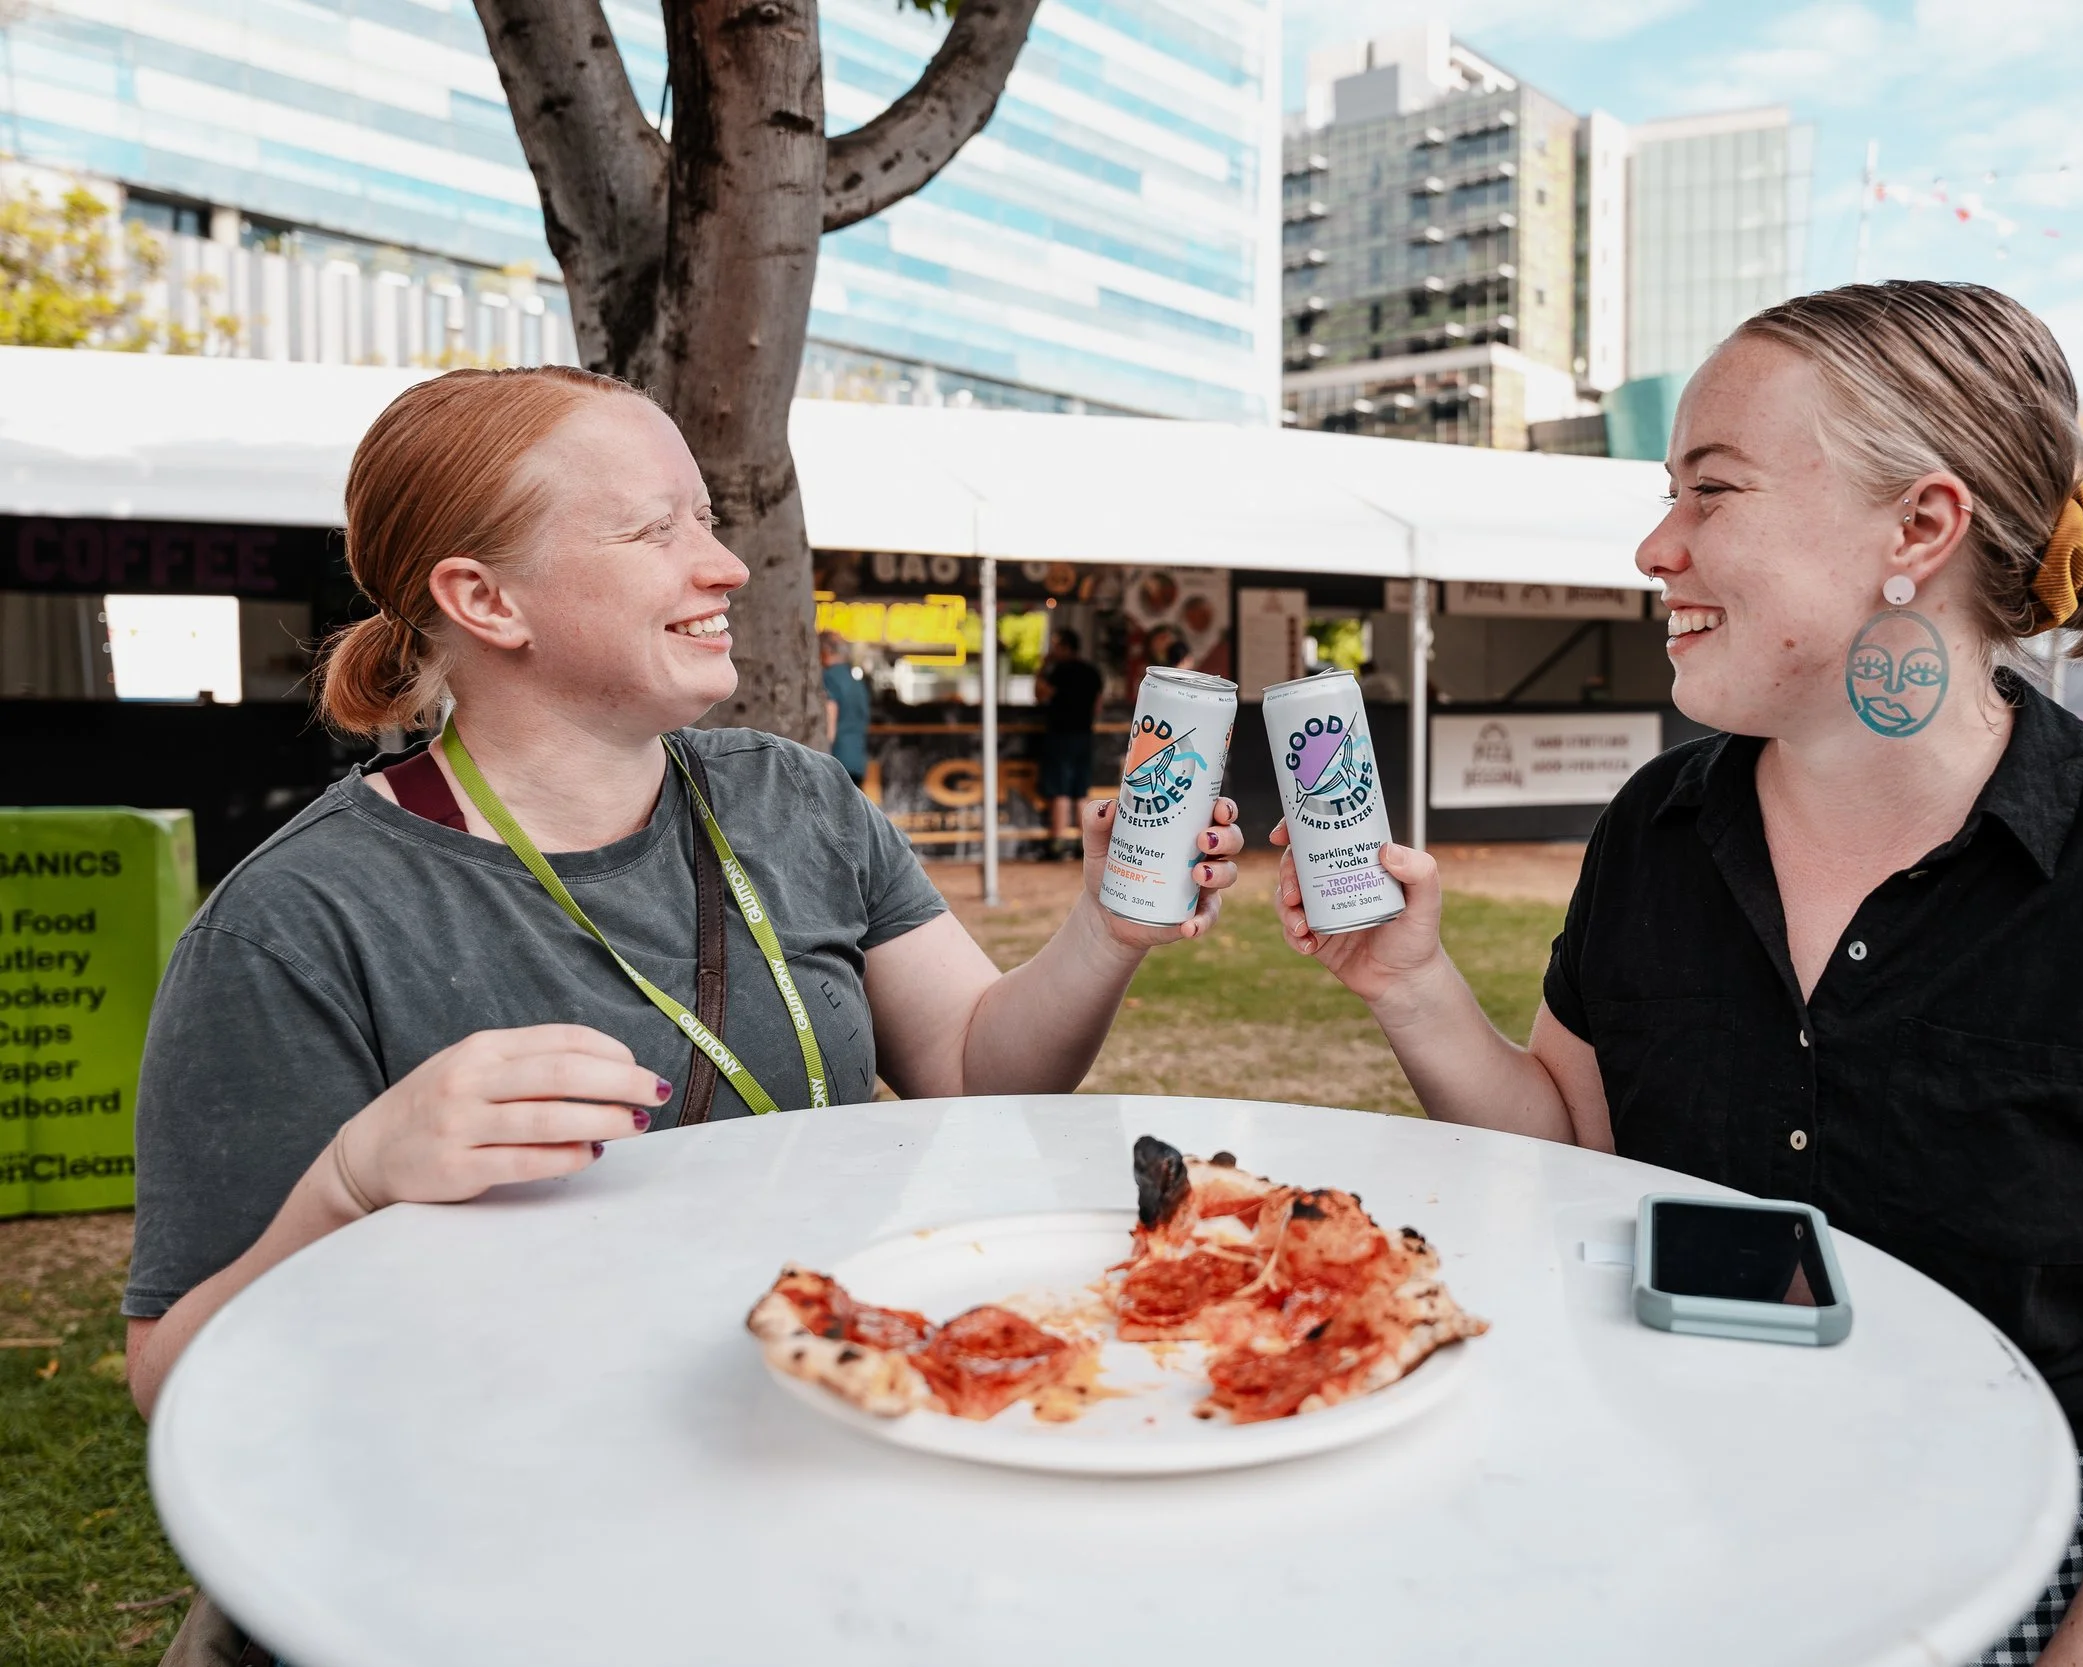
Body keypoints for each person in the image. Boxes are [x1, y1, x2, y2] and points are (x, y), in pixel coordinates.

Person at [1272, 281, 2083, 1666]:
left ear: (1919, 527)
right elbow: (1574, 1158)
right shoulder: (1657, 831)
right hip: (1676, 1524)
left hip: (2063, 1577)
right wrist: (1413, 984)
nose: (1655, 545)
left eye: (1709, 490)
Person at [123, 367, 1246, 1424]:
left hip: (824, 1415)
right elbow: (170, 1378)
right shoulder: (295, 924)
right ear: (485, 597)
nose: (724, 566)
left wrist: (1104, 927)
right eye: (655, 529)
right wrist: (351, 1183)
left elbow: (973, 1067)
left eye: (704, 519)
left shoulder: (793, 795)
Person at [1032, 626, 1103, 862]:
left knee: (1060, 790)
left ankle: (1057, 843)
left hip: (1061, 735)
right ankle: (1085, 845)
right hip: (1084, 735)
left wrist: (1042, 668)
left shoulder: (1058, 671)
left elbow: (1041, 695)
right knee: (1080, 790)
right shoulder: (1092, 672)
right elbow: (1097, 707)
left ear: (1064, 647)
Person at [820, 628, 870, 785]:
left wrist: (821, 752)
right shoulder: (857, 683)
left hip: (836, 760)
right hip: (857, 761)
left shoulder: (828, 678)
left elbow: (831, 714)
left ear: (825, 651)